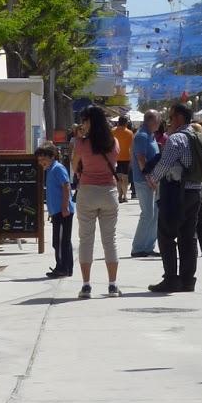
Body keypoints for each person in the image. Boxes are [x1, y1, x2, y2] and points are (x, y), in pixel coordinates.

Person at [146, 102, 202, 294]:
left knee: (165, 235)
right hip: (196, 191)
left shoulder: (176, 139)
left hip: (176, 192)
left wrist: (153, 179)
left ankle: (171, 279)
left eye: (171, 118)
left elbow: (165, 164)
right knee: (188, 236)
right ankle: (188, 280)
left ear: (179, 118)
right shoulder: (199, 136)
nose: (169, 122)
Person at [70, 106, 121, 299]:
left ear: (89, 121)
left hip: (88, 191)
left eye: (84, 121)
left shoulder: (82, 144)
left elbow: (74, 166)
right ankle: (112, 285)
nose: (82, 124)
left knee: (86, 240)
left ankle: (86, 285)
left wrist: (81, 136)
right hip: (109, 191)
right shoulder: (113, 142)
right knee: (110, 240)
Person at [129, 110, 160, 257]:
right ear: (151, 121)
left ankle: (148, 246)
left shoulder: (150, 135)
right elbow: (141, 159)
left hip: (152, 179)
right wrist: (149, 178)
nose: (160, 123)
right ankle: (138, 247)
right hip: (144, 180)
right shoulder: (142, 136)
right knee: (147, 213)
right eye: (158, 120)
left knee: (154, 214)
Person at [41, 142, 74, 278]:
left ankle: (62, 267)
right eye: (39, 160)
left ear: (52, 156)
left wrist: (65, 206)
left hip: (62, 211)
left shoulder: (57, 169)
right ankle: (66, 267)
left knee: (60, 242)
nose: (41, 162)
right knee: (63, 241)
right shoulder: (50, 170)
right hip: (57, 211)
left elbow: (66, 186)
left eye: (43, 159)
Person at [112, 114, 135, 203]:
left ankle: (119, 195)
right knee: (125, 178)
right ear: (126, 123)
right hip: (126, 158)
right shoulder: (129, 132)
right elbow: (132, 147)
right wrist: (132, 160)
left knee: (118, 178)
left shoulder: (112, 131)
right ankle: (125, 196)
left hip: (115, 157)